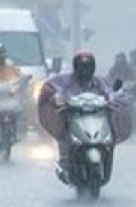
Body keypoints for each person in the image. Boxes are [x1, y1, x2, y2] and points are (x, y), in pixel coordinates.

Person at [36, 50, 117, 182]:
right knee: (64, 132)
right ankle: (65, 160)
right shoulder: (65, 81)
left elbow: (110, 92)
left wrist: (112, 99)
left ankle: (107, 159)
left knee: (110, 134)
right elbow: (53, 88)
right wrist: (57, 99)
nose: (85, 70)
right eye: (82, 66)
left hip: (96, 119)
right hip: (74, 118)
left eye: (88, 66)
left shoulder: (99, 82)